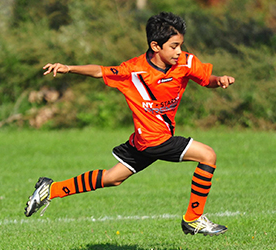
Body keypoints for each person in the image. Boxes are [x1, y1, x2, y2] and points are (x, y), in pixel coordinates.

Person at [24, 12, 235, 236]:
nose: (179, 51)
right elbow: (100, 70)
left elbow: (205, 80)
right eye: (173, 46)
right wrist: (69, 68)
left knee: (112, 178)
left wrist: (218, 80)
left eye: (180, 45)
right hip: (154, 140)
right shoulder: (133, 71)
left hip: (146, 140)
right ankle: (193, 219)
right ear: (155, 46)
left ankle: (50, 189)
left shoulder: (186, 62)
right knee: (208, 155)